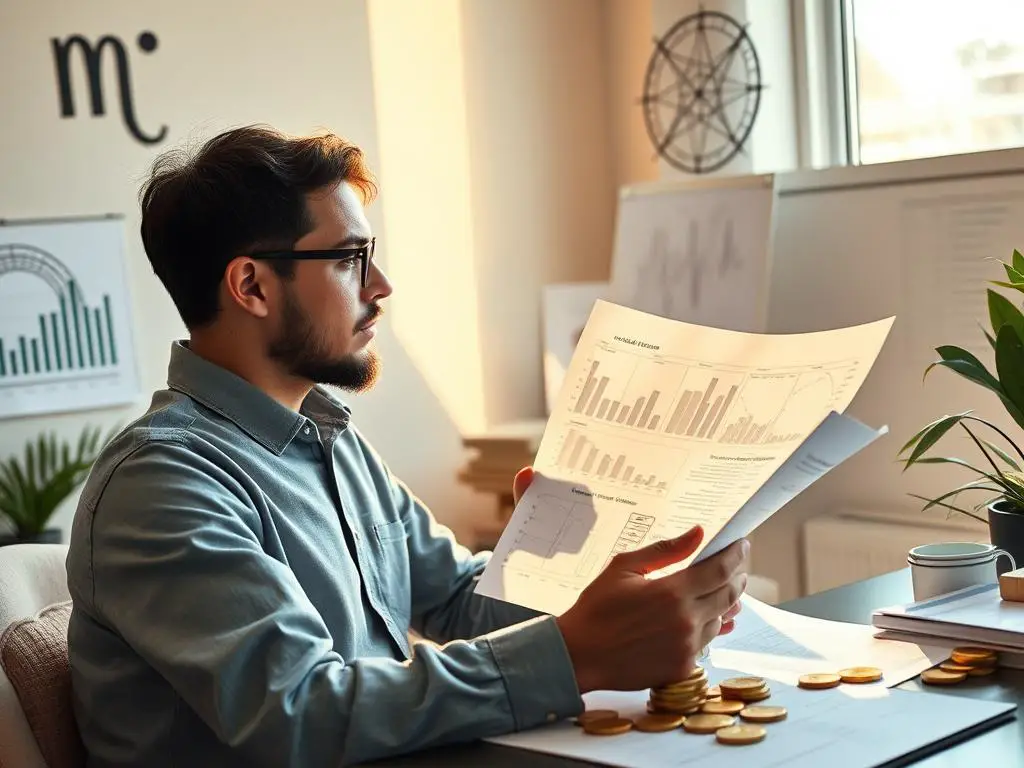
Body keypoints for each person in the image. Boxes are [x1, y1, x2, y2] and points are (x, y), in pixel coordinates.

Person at [66, 125, 750, 767]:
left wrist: (631, 596)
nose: (381, 286)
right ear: (252, 286)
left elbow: (455, 598)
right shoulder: (162, 483)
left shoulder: (329, 439)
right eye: (349, 259)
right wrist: (573, 654)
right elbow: (298, 711)